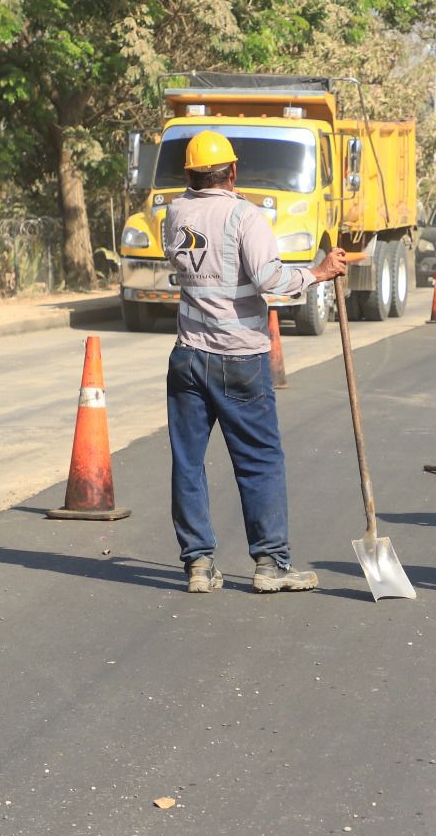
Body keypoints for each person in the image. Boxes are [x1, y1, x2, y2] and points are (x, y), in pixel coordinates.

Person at [164, 129, 349, 595]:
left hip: (187, 356)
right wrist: (319, 272)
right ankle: (270, 564)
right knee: (259, 460)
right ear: (233, 171)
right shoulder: (246, 216)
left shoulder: (176, 212)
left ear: (189, 173)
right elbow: (271, 279)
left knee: (189, 463)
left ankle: (199, 566)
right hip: (239, 357)